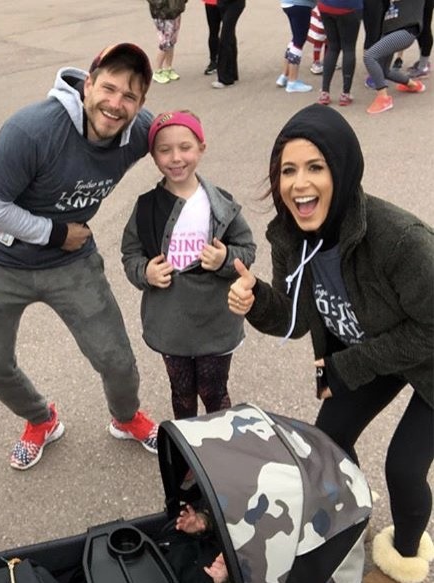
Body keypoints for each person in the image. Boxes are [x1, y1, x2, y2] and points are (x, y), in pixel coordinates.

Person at [228, 104, 434, 583]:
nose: (300, 183)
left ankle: (404, 559)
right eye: (288, 170)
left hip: (428, 354)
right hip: (374, 348)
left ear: (342, 170)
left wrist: (346, 366)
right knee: (328, 445)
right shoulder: (290, 237)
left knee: (404, 466)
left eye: (316, 167)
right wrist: (257, 297)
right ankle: (351, 519)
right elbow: (295, 318)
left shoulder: (400, 239)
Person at [0, 43, 158, 471]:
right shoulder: (33, 130)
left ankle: (125, 419)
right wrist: (56, 233)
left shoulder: (140, 130)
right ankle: (41, 419)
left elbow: (178, 139)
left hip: (71, 265)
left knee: (116, 360)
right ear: (87, 85)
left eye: (130, 96)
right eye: (108, 88)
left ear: (141, 103)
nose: (116, 104)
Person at [121, 110, 256, 420]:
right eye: (164, 150)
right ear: (153, 156)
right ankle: (187, 455)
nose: (176, 157)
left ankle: (218, 450)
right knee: (182, 394)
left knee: (214, 390)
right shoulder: (146, 207)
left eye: (185, 147)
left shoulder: (221, 203)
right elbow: (130, 254)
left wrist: (224, 260)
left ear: (201, 148)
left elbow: (247, 249)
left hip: (215, 320)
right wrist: (146, 272)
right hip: (172, 324)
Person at [364, 0, 427, 114]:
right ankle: (412, 85)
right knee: (383, 70)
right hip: (391, 29)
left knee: (369, 56)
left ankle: (383, 98)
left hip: (406, 30)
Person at [316, 0, 363, 106]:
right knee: (349, 48)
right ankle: (345, 94)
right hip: (349, 7)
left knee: (332, 47)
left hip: (325, 5)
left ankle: (325, 92)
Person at [275, 0, 317, 92]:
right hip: (300, 5)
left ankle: (285, 75)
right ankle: (292, 81)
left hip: (289, 4)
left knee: (296, 39)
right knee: (298, 42)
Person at [147, 0, 187, 84]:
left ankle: (168, 68)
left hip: (175, 11)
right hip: (162, 13)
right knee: (165, 42)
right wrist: (161, 4)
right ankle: (157, 71)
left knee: (172, 40)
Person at [210, 0, 246, 88]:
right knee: (230, 37)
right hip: (222, 3)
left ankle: (225, 79)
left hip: (235, 3)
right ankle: (232, 73)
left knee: (225, 38)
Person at [202, 0, 221, 75]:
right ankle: (213, 61)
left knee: (227, 32)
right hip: (211, 2)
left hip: (228, 3)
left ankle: (227, 61)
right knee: (213, 31)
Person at [308, 5, 328, 74]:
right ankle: (316, 61)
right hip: (321, 10)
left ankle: (327, 61)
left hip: (330, 9)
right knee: (319, 38)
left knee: (330, 39)